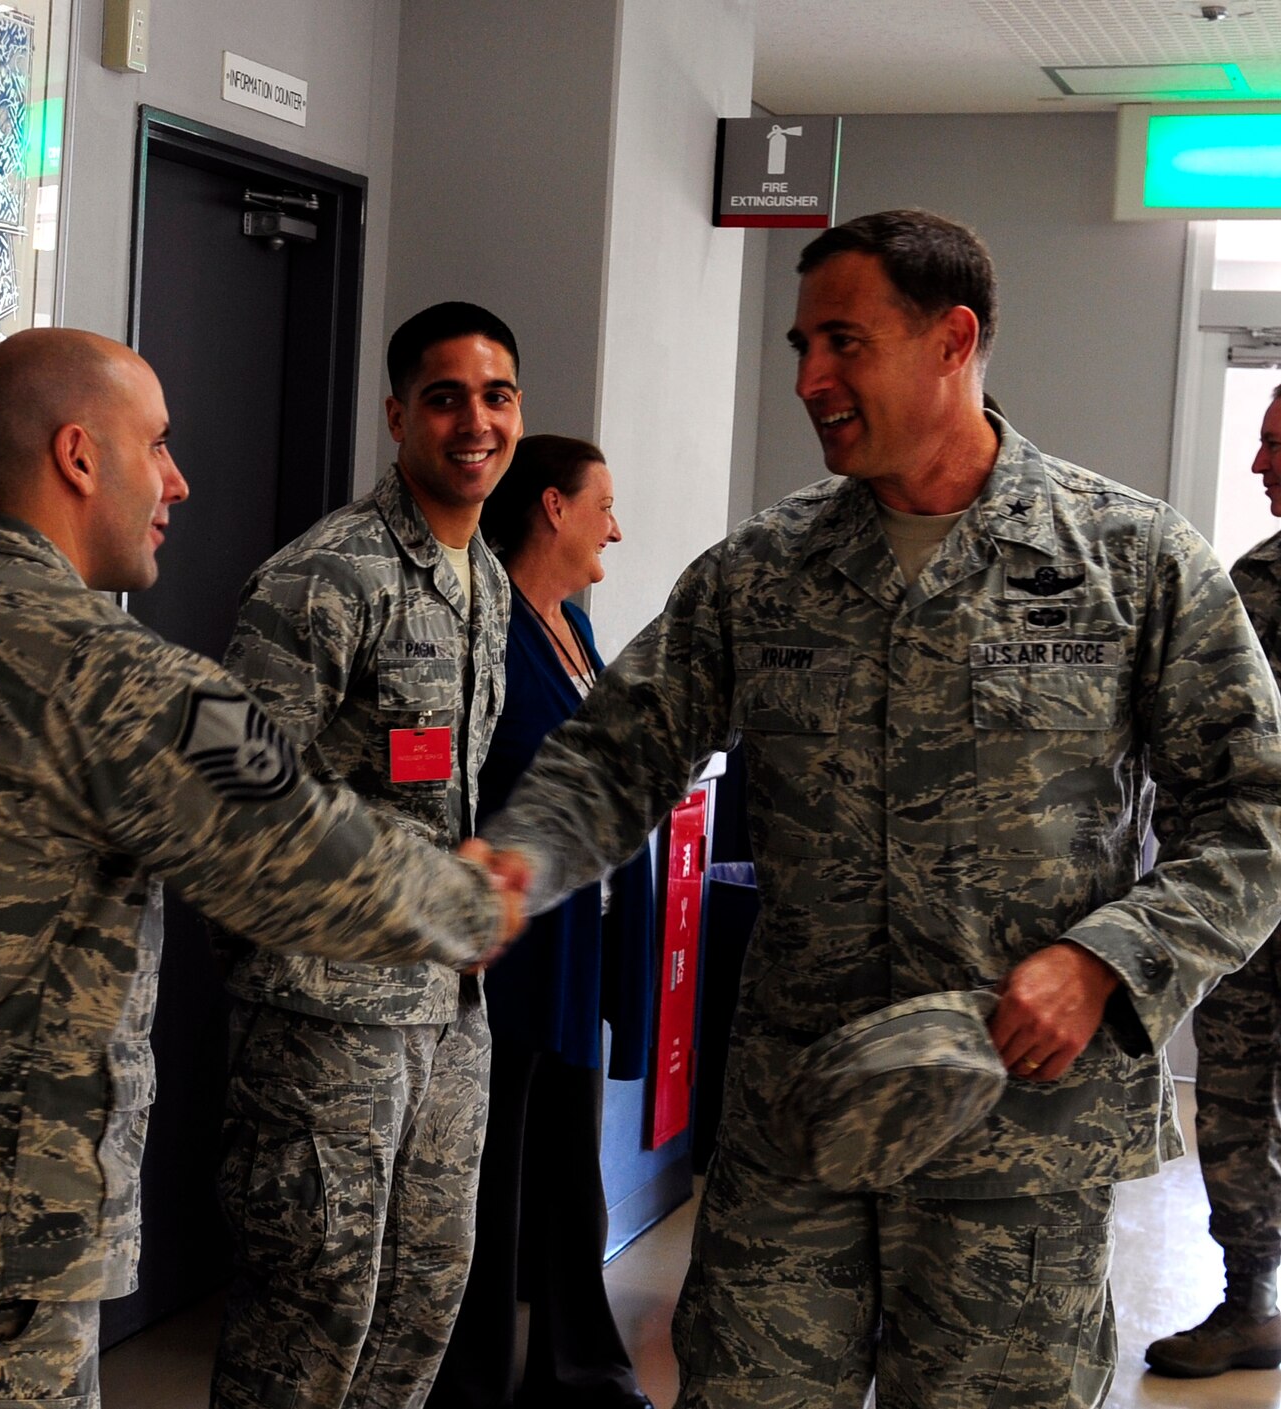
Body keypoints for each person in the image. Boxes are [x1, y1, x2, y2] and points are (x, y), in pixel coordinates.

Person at [479, 209, 1281, 1407]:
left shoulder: (1130, 561)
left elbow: (1253, 814)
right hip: (794, 1131)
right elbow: (614, 754)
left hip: (1017, 1143)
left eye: (842, 342)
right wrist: (511, 864)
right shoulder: (762, 570)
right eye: (803, 343)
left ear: (951, 340)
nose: (807, 377)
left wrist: (1107, 959)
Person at [0, 328, 522, 1409]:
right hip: (2, 1236)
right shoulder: (118, 676)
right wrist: (472, 899)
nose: (176, 480)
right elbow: (303, 849)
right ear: (79, 457)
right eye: (159, 445)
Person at [209, 301, 519, 1409]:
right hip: (323, 1018)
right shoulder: (324, 577)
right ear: (396, 414)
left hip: (447, 1011)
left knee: (423, 1295)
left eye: (495, 396)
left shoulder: (483, 576)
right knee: (311, 1313)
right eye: (444, 396)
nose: (473, 421)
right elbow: (225, 794)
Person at [425, 434, 653, 1409]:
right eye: (601, 502)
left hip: (576, 949)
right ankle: (474, 1384)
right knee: (492, 1184)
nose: (615, 523)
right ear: (552, 508)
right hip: (510, 958)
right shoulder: (489, 625)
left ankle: (577, 1373)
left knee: (565, 1174)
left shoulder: (574, 628)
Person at [1145, 384, 1281, 1378]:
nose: (1254, 465)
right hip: (1250, 903)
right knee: (1230, 1097)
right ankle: (1248, 1302)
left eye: (1273, 445)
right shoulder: (1251, 583)